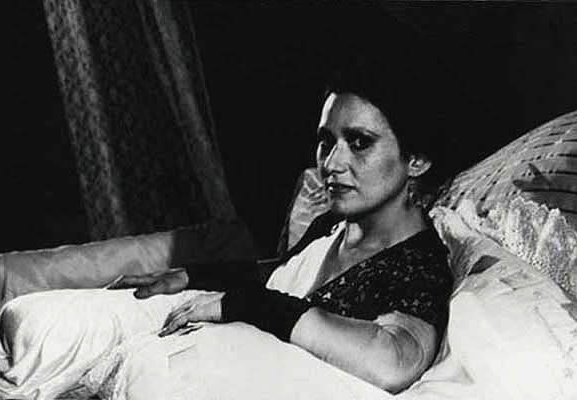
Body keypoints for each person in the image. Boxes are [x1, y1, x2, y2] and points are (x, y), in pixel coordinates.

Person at [108, 59, 454, 393]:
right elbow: (284, 274)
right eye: (326, 142)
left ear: (416, 160)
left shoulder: (419, 264)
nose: (332, 163)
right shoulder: (331, 225)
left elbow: (394, 363)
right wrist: (190, 276)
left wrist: (249, 305)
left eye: (359, 142)